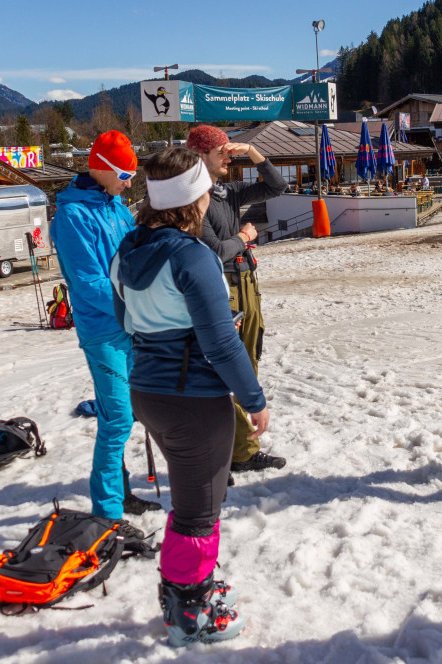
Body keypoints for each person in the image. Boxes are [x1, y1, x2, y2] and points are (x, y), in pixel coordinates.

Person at [110, 147, 269, 646]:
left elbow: (126, 322)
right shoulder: (192, 255)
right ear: (193, 196)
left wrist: (173, 330)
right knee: (200, 508)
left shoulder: (130, 248)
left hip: (150, 389)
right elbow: (221, 344)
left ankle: (188, 584)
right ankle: (187, 605)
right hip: (194, 398)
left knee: (193, 499)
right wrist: (254, 399)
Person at [50, 130, 158, 528]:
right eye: (126, 174)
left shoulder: (116, 208)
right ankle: (108, 513)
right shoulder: (73, 216)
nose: (131, 182)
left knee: (135, 411)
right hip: (104, 329)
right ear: (104, 168)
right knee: (117, 420)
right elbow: (87, 283)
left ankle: (122, 491)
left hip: (134, 321)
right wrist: (135, 301)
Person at [187, 125, 288, 474]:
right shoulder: (192, 198)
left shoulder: (225, 192)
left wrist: (253, 152)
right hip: (223, 286)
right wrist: (244, 237)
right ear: (200, 155)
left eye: (230, 152)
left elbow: (278, 186)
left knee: (249, 361)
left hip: (246, 282)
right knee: (228, 367)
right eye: (222, 152)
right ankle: (236, 451)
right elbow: (214, 250)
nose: (229, 157)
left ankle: (240, 449)